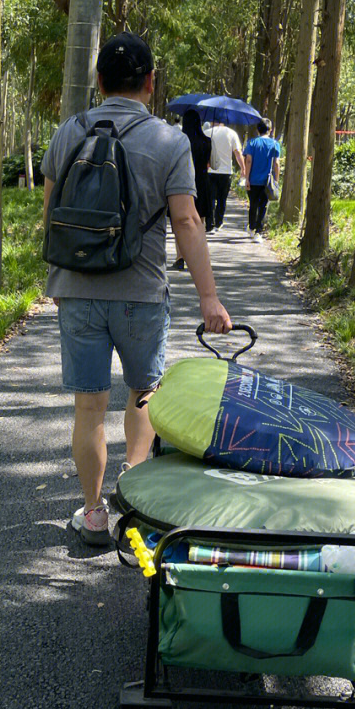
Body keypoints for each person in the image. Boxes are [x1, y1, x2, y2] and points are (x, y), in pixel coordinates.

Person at [42, 32, 232, 546]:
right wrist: (209, 298)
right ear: (151, 82)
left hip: (77, 289)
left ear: (99, 80)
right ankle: (134, 497)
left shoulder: (68, 132)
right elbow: (188, 220)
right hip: (142, 293)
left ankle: (93, 513)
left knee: (89, 408)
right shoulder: (170, 142)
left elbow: (51, 213)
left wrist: (57, 279)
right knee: (143, 394)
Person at [171, 108, 213, 271]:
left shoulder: (179, 140)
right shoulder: (207, 141)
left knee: (179, 220)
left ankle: (180, 257)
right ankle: (198, 256)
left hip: (182, 183)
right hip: (202, 182)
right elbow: (212, 164)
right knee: (199, 221)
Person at [243, 119, 282, 239]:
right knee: (263, 205)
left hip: (253, 179)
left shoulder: (252, 143)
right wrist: (276, 180)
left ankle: (251, 227)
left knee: (253, 204)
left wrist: (247, 178)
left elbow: (248, 160)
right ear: (270, 130)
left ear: (257, 130)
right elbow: (276, 163)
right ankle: (258, 232)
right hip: (267, 181)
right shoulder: (275, 144)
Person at [204, 118, 244, 232]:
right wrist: (243, 169)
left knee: (210, 198)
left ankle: (209, 224)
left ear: (212, 121)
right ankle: (218, 223)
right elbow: (238, 153)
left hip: (210, 171)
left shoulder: (207, 133)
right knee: (222, 199)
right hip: (226, 172)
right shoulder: (232, 133)